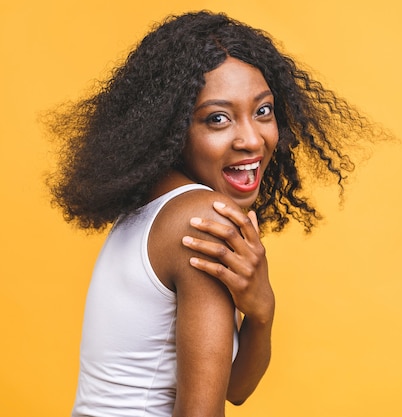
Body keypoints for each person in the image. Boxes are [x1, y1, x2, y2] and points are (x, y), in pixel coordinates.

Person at [46, 10, 382, 417]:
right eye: (218, 119)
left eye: (263, 111)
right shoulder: (202, 219)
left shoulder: (153, 208)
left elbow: (234, 387)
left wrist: (261, 312)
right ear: (171, 129)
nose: (251, 139)